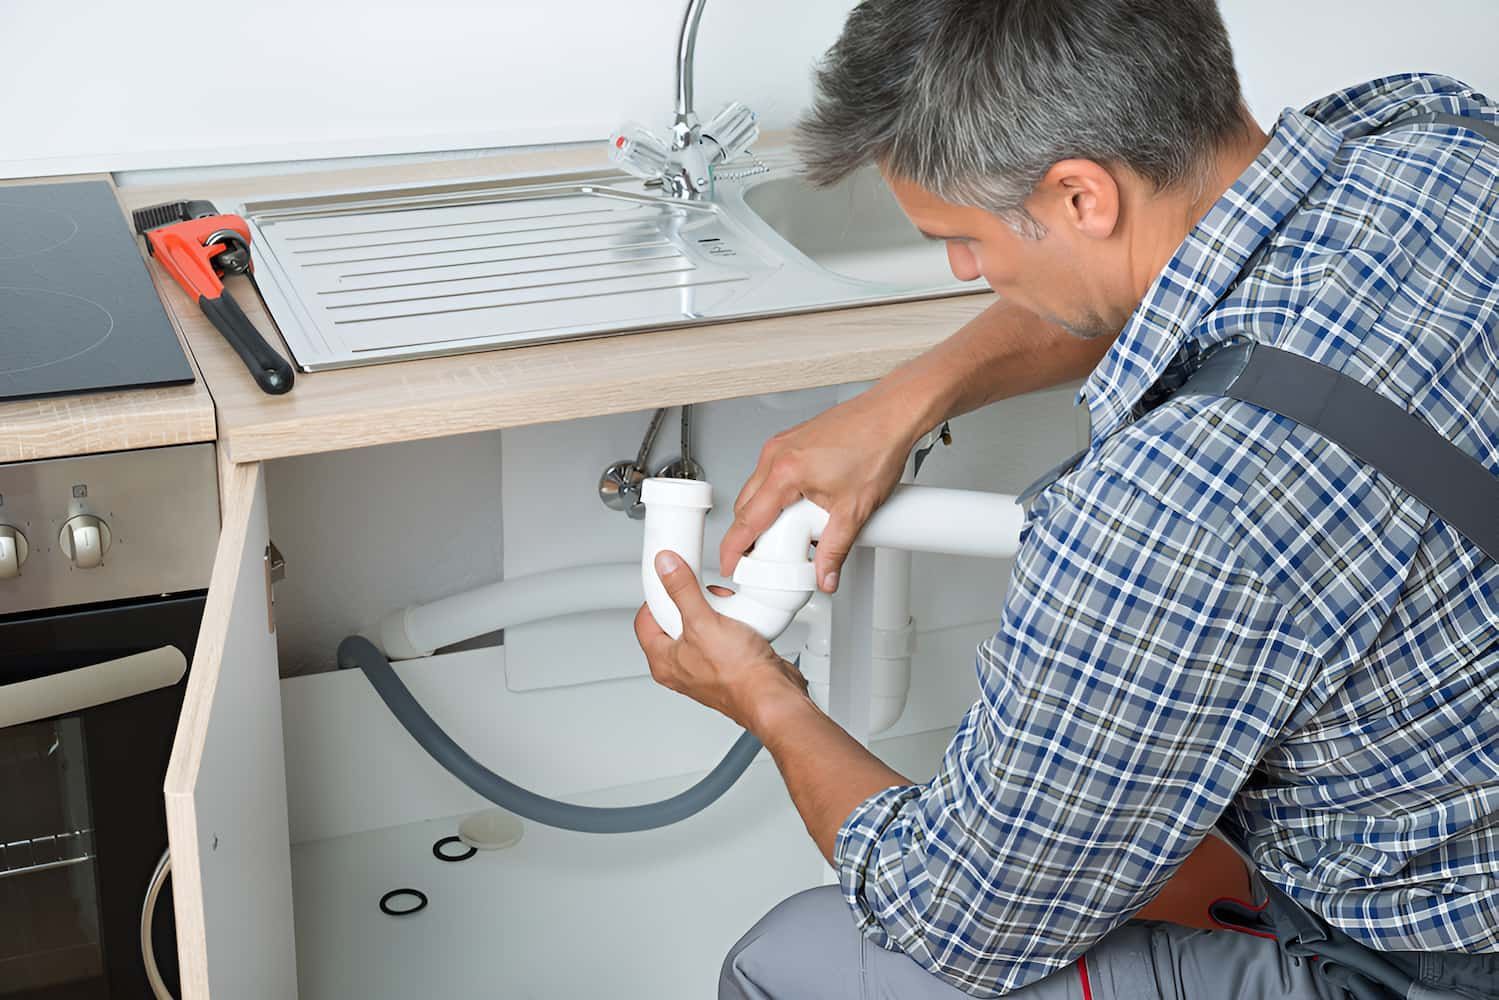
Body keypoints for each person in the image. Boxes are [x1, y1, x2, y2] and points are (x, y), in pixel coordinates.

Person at [632, 1, 1499, 996]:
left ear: (1081, 196)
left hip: (1437, 961)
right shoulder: (1431, 140)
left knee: (794, 961)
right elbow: (1187, 268)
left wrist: (761, 693)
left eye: (960, 237)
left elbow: (959, 914)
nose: (964, 272)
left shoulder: (1164, 511)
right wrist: (904, 399)